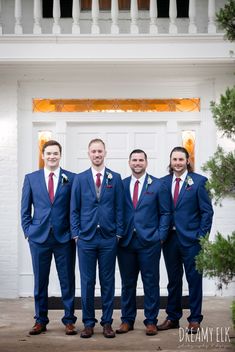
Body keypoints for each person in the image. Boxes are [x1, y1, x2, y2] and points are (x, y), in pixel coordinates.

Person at [21, 140, 77, 335]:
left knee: (67, 281)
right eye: (49, 153)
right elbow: (25, 210)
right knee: (40, 281)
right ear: (43, 155)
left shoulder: (71, 178)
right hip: (39, 238)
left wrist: (73, 232)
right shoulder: (31, 178)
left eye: (56, 153)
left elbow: (75, 208)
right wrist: (28, 232)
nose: (52, 156)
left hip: (64, 238)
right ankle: (40, 320)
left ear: (60, 155)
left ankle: (69, 320)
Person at [70, 138, 124, 338]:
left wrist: (118, 233)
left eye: (100, 151)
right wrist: (76, 234)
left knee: (108, 282)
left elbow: (120, 208)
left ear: (105, 153)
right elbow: (74, 208)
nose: (97, 154)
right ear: (88, 154)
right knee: (87, 282)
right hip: (86, 239)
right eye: (94, 151)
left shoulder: (115, 178)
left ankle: (107, 323)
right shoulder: (80, 178)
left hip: (109, 238)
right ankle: (88, 323)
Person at [158, 146, 214, 334]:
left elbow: (207, 212)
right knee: (173, 281)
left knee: (194, 279)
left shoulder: (199, 182)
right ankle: (173, 317)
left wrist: (201, 236)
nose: (178, 163)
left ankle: (195, 319)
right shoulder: (163, 183)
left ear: (187, 161)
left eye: (181, 160)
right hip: (170, 240)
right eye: (174, 159)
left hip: (192, 240)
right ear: (170, 161)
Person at [116, 149, 172, 336]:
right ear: (129, 162)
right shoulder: (121, 185)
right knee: (127, 283)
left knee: (150, 282)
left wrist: (161, 235)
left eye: (141, 160)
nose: (137, 163)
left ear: (146, 163)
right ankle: (127, 320)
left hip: (150, 242)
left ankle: (150, 321)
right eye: (134, 160)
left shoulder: (158, 185)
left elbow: (165, 212)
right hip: (126, 243)